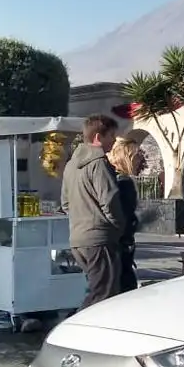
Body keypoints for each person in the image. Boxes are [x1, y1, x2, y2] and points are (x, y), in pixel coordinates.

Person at [61, 114, 125, 310]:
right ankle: (73, 331)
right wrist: (118, 226)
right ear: (98, 137)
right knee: (103, 295)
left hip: (79, 239)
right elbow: (110, 200)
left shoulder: (71, 165)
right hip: (99, 239)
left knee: (98, 289)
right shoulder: (98, 162)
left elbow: (65, 203)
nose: (114, 141)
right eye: (111, 136)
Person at [107, 138, 147, 293]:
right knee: (125, 284)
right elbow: (124, 214)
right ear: (127, 157)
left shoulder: (110, 178)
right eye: (137, 155)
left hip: (112, 240)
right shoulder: (124, 183)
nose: (140, 160)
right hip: (121, 242)